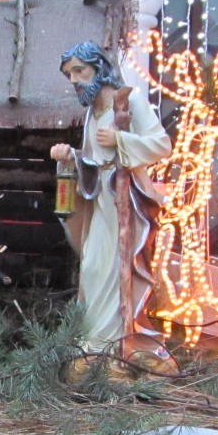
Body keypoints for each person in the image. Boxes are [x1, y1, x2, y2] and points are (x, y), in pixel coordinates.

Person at [50, 42, 171, 358]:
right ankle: (95, 341)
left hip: (125, 204)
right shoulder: (93, 113)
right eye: (68, 75)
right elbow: (94, 160)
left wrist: (121, 139)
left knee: (114, 270)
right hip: (100, 203)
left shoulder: (129, 102)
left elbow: (161, 145)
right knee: (92, 269)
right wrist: (71, 157)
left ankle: (111, 346)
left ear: (99, 68)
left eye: (79, 70)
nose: (74, 79)